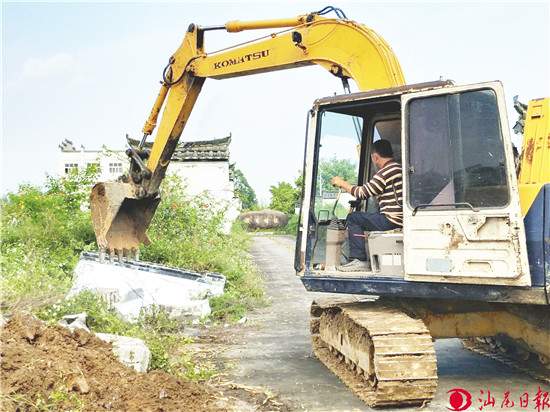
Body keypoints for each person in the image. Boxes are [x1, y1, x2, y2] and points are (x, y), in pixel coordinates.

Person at [330, 139, 402, 272]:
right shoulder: (398, 168)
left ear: (375, 157)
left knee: (354, 218)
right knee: (366, 217)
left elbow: (362, 193)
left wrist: (342, 183)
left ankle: (359, 260)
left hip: (391, 219)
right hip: (400, 219)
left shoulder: (385, 172)